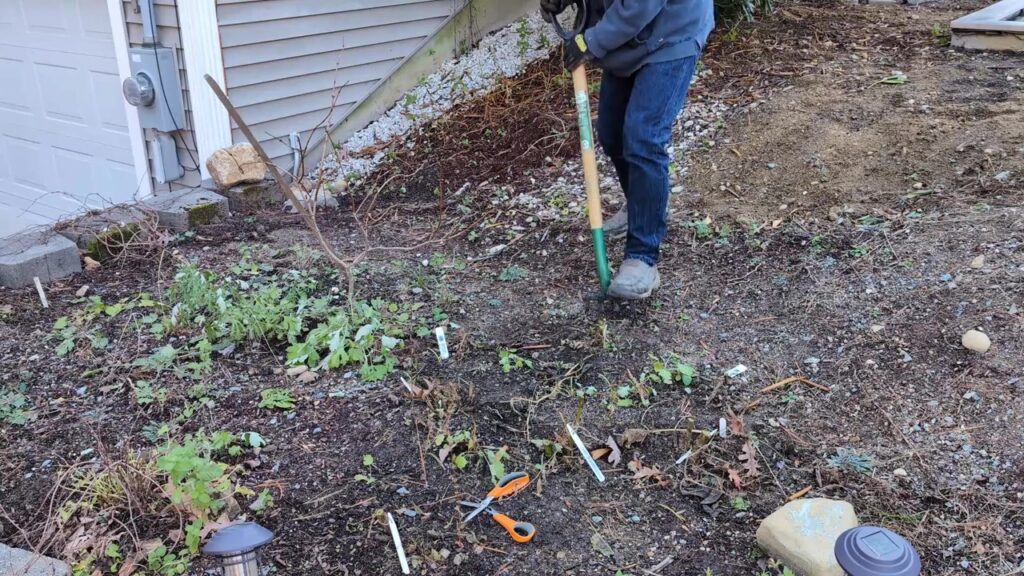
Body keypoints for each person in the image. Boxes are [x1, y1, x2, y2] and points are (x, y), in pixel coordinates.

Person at [540, 0, 714, 299]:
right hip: (630, 38)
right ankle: (642, 207)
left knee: (644, 137)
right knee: (613, 134)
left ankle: (642, 257)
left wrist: (590, 41)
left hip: (672, 30)